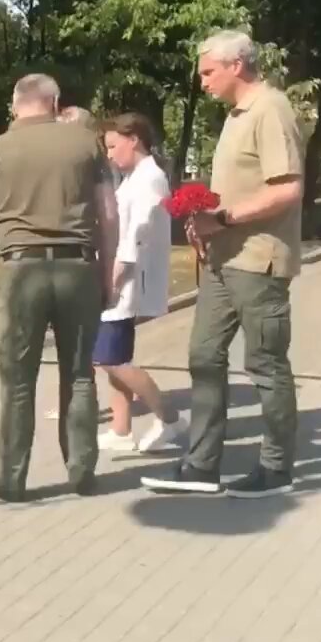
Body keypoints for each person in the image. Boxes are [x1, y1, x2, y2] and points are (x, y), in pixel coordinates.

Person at [141, 30, 304, 498]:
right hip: (223, 260)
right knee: (203, 356)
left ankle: (276, 469)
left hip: (258, 260)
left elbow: (286, 189)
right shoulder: (235, 117)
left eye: (208, 71)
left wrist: (224, 217)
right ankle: (201, 467)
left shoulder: (270, 109)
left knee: (265, 364)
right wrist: (204, 221)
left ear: (237, 65)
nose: (202, 80)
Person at [0, 73, 120, 502]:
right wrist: (107, 274)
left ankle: (11, 478)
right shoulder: (86, 144)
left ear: (16, 106)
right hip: (78, 268)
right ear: (55, 102)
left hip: (21, 272)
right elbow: (108, 215)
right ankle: (83, 470)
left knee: (17, 379)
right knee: (79, 374)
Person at [95, 113, 187, 452]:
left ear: (134, 139)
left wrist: (119, 266)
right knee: (114, 356)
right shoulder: (135, 176)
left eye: (112, 145)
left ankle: (171, 418)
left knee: (109, 357)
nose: (109, 154)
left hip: (128, 278)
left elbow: (140, 228)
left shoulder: (150, 177)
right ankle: (121, 430)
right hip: (123, 275)